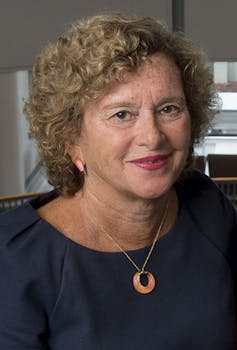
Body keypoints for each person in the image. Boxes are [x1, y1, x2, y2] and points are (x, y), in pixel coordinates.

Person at [0, 12, 236, 350]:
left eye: (169, 109)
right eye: (122, 114)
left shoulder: (208, 204)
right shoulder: (13, 260)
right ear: (71, 137)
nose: (152, 137)